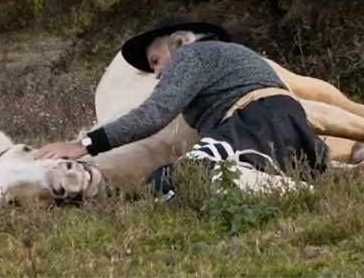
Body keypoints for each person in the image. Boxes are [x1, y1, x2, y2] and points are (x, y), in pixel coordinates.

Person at [34, 17, 328, 196]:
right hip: (293, 130)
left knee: (175, 178)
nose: (159, 74)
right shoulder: (230, 54)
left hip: (254, 123)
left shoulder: (190, 56)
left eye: (156, 62)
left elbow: (153, 115)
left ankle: (295, 194)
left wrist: (83, 145)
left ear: (176, 42)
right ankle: (282, 182)